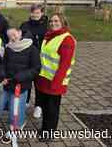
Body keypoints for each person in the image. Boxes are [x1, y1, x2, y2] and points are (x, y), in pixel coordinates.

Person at [35, 13, 76, 141]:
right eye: (52, 21)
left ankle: (49, 134)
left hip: (54, 82)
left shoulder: (67, 40)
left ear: (63, 22)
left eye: (56, 21)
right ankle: (44, 129)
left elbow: (64, 65)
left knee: (52, 110)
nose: (53, 23)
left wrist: (56, 84)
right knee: (45, 107)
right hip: (43, 80)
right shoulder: (49, 36)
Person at [0, 28, 41, 143]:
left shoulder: (32, 49)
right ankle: (19, 120)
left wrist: (21, 76)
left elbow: (36, 69)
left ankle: (16, 128)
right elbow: (3, 64)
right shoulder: (9, 48)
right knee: (1, 106)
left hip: (21, 86)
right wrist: (2, 75)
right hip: (8, 84)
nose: (13, 38)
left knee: (14, 110)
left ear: (20, 33)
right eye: (10, 36)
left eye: (14, 35)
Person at [20, 4, 48, 118]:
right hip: (27, 58)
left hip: (40, 59)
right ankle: (25, 102)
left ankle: (38, 106)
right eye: (33, 12)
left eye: (38, 12)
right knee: (26, 81)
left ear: (41, 13)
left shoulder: (46, 26)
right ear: (30, 13)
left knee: (38, 84)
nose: (35, 15)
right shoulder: (24, 25)